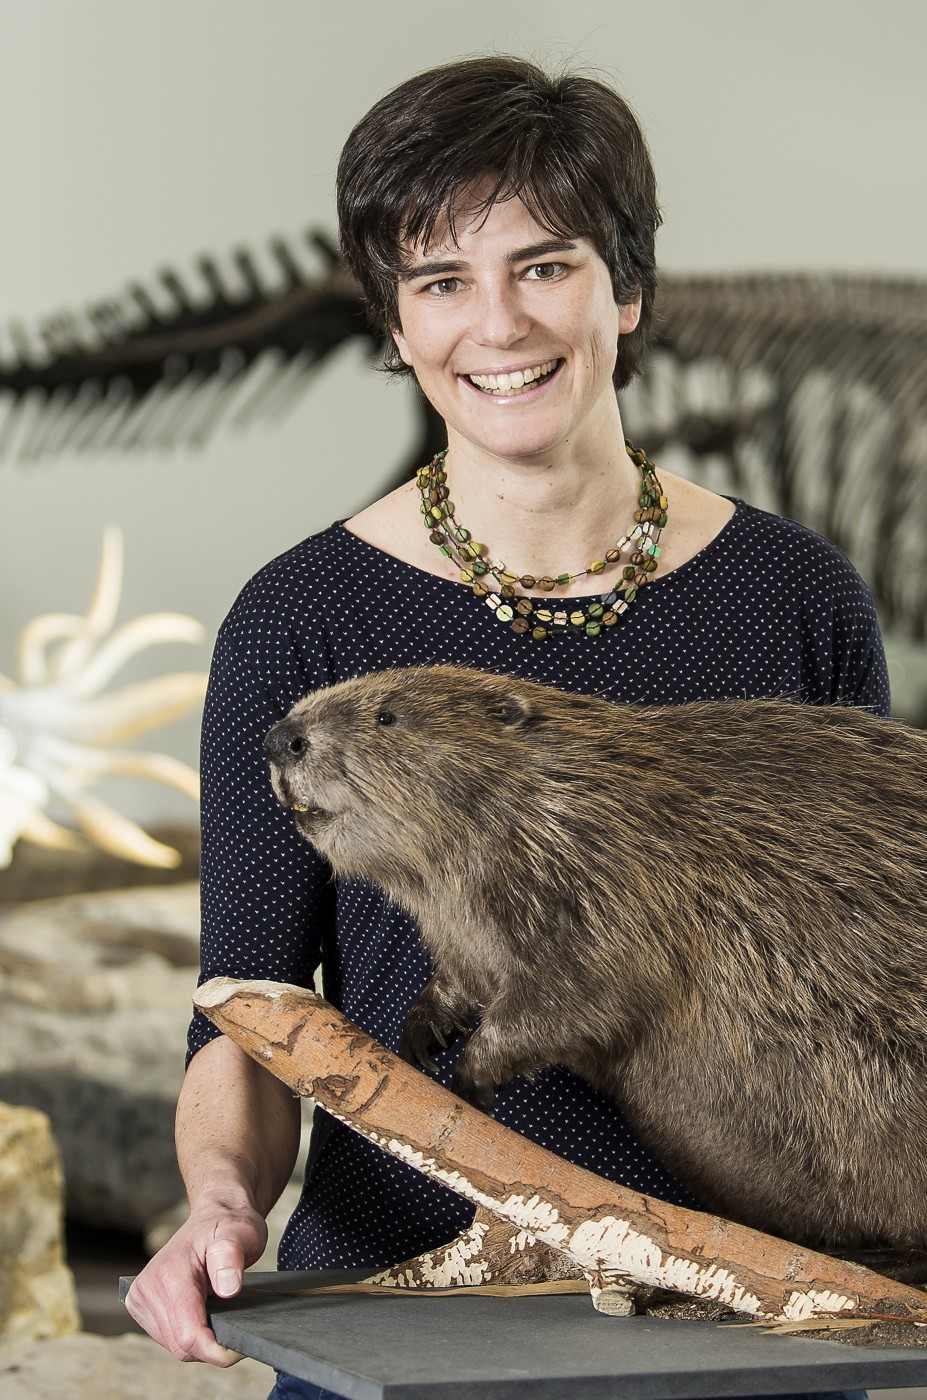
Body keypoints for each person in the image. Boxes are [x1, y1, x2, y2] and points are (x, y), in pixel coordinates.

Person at [124, 56, 885, 1400]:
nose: (500, 324)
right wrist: (221, 1205)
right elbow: (248, 1007)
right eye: (441, 283)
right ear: (398, 327)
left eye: (546, 267)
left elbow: (873, 981)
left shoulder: (794, 598)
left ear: (625, 290)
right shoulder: (299, 622)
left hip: (752, 1308)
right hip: (401, 1311)